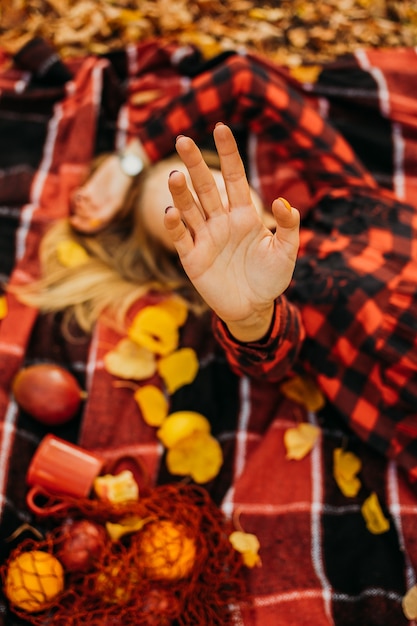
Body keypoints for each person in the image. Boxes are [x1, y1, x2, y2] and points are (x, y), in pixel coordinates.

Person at [2, 45, 417, 626]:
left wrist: (125, 164)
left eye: (208, 184)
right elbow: (267, 350)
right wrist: (249, 313)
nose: (213, 201)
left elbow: (247, 80)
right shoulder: (284, 304)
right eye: (185, 212)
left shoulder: (348, 196)